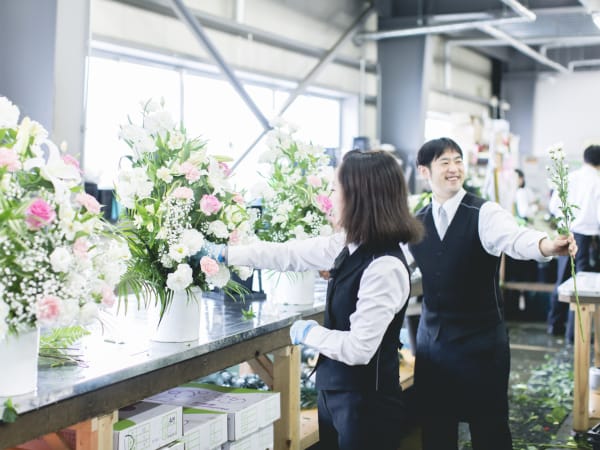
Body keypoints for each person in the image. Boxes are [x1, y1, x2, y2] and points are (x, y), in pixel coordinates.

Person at [201, 149, 423, 450]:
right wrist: (225, 253)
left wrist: (307, 332)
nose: (329, 197)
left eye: (335, 188)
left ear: (359, 196)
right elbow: (288, 254)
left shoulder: (384, 267)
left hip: (367, 407)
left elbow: (359, 349)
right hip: (337, 397)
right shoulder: (350, 245)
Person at [408, 137, 576, 450]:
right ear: (424, 171)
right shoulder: (415, 223)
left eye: (458, 160)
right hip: (433, 344)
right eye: (444, 162)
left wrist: (547, 245)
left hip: (480, 344)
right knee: (436, 429)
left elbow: (516, 239)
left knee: (489, 430)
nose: (454, 168)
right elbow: (393, 262)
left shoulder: (484, 213)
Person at [547, 144, 600, 341]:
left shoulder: (569, 177)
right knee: (583, 286)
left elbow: (553, 206)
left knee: (563, 281)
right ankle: (575, 333)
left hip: (566, 233)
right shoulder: (597, 181)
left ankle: (555, 325)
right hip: (587, 239)